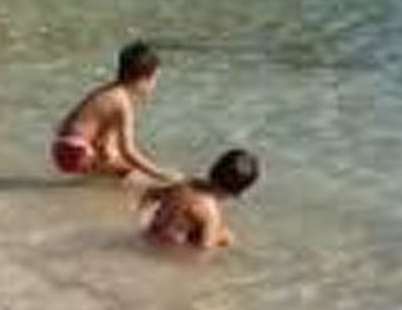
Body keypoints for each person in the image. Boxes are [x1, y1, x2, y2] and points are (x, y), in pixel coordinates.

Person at [51, 40, 173, 182]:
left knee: (115, 160)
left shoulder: (107, 92)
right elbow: (129, 151)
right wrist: (159, 173)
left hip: (62, 149)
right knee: (136, 177)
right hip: (78, 152)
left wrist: (106, 155)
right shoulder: (123, 103)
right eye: (154, 79)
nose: (154, 86)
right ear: (145, 79)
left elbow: (69, 126)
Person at [140, 149, 260, 251]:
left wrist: (142, 219)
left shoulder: (185, 184)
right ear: (238, 192)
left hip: (149, 236)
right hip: (166, 250)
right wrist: (219, 240)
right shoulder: (210, 211)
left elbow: (150, 193)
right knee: (227, 237)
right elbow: (204, 249)